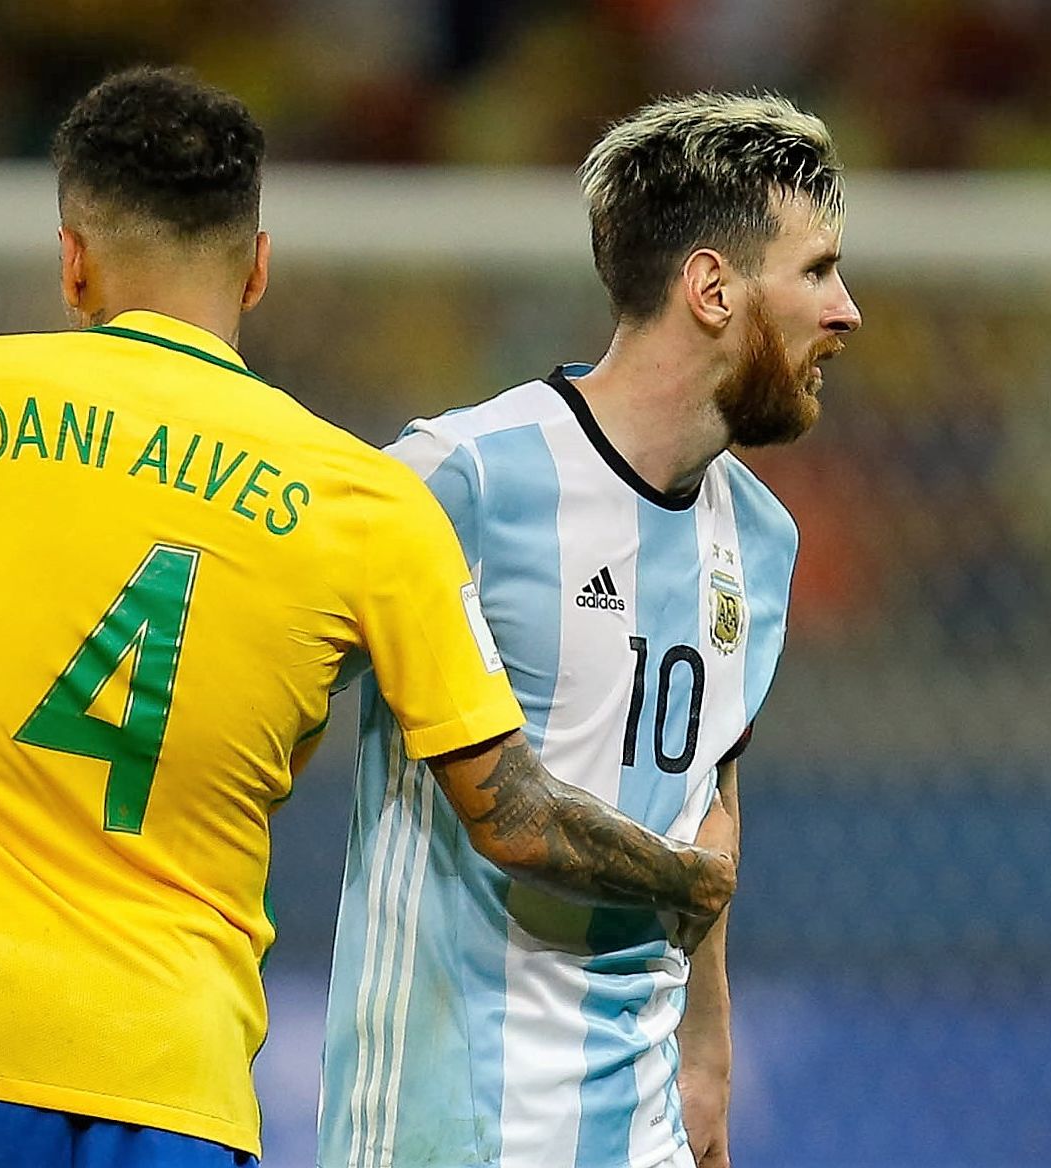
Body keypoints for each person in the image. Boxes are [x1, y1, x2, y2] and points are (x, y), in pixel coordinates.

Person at [0, 67, 740, 1168]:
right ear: (257, 268)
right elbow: (516, 817)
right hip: (168, 1083)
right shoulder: (369, 507)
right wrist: (688, 877)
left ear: (71, 262)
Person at [320, 92, 861, 1168]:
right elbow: (266, 685)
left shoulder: (762, 539)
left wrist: (706, 1058)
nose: (846, 312)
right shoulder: (460, 478)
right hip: (444, 1130)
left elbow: (708, 806)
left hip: (639, 1131)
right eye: (817, 271)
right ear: (712, 289)